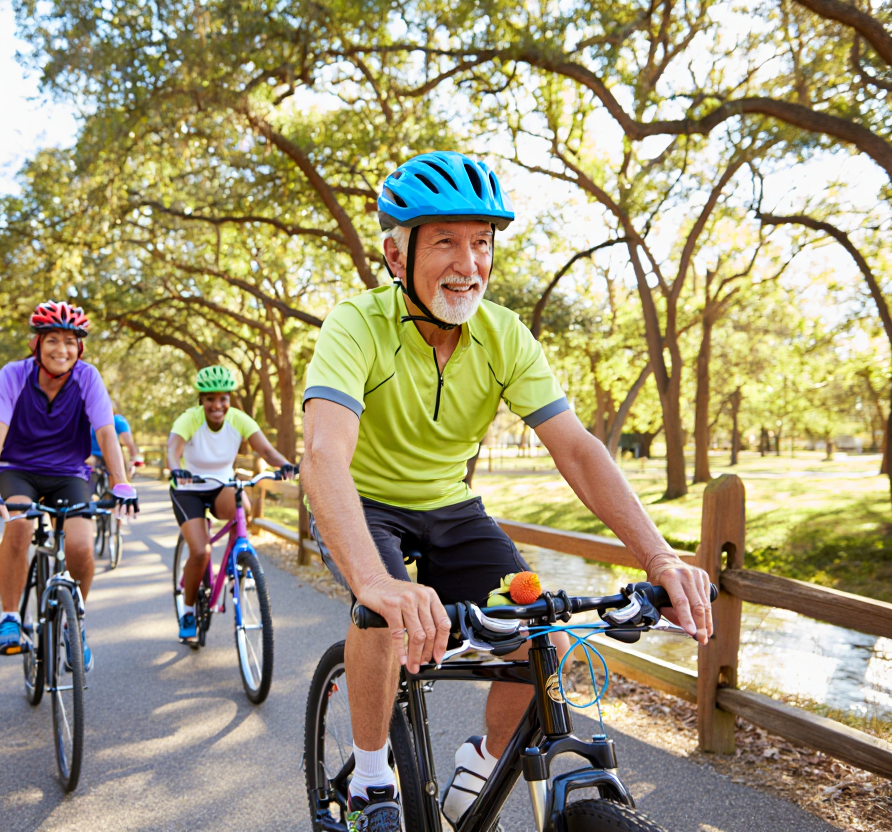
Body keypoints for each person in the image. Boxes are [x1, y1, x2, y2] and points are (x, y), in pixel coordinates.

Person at [300, 151, 715, 831]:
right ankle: (374, 782)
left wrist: (660, 557)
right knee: (379, 616)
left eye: (482, 242)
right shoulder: (357, 324)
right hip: (364, 498)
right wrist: (377, 582)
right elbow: (324, 455)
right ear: (394, 256)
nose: (469, 263)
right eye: (445, 242)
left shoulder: (503, 335)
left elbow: (577, 449)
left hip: (450, 505)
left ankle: (483, 759)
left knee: (534, 633)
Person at [0, 300, 139, 672]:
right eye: (52, 340)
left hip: (69, 473)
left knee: (80, 547)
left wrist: (122, 483)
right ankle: (10, 618)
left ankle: (73, 624)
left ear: (79, 347)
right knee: (20, 527)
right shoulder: (12, 376)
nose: (61, 349)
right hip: (18, 469)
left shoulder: (88, 377)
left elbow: (106, 432)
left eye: (69, 341)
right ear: (36, 344)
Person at [168, 365, 295, 641]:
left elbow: (266, 450)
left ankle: (234, 563)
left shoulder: (238, 419)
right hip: (188, 487)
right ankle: (188, 610)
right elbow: (173, 449)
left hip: (220, 485)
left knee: (243, 510)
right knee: (200, 552)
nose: (217, 405)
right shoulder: (189, 419)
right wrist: (175, 469)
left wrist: (284, 464)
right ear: (201, 400)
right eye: (210, 398)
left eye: (223, 398)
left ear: (229, 400)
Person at [88, 410, 143, 495]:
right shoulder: (117, 419)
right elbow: (128, 441)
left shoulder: (90, 420)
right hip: (109, 457)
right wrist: (134, 459)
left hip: (91, 458)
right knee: (122, 486)